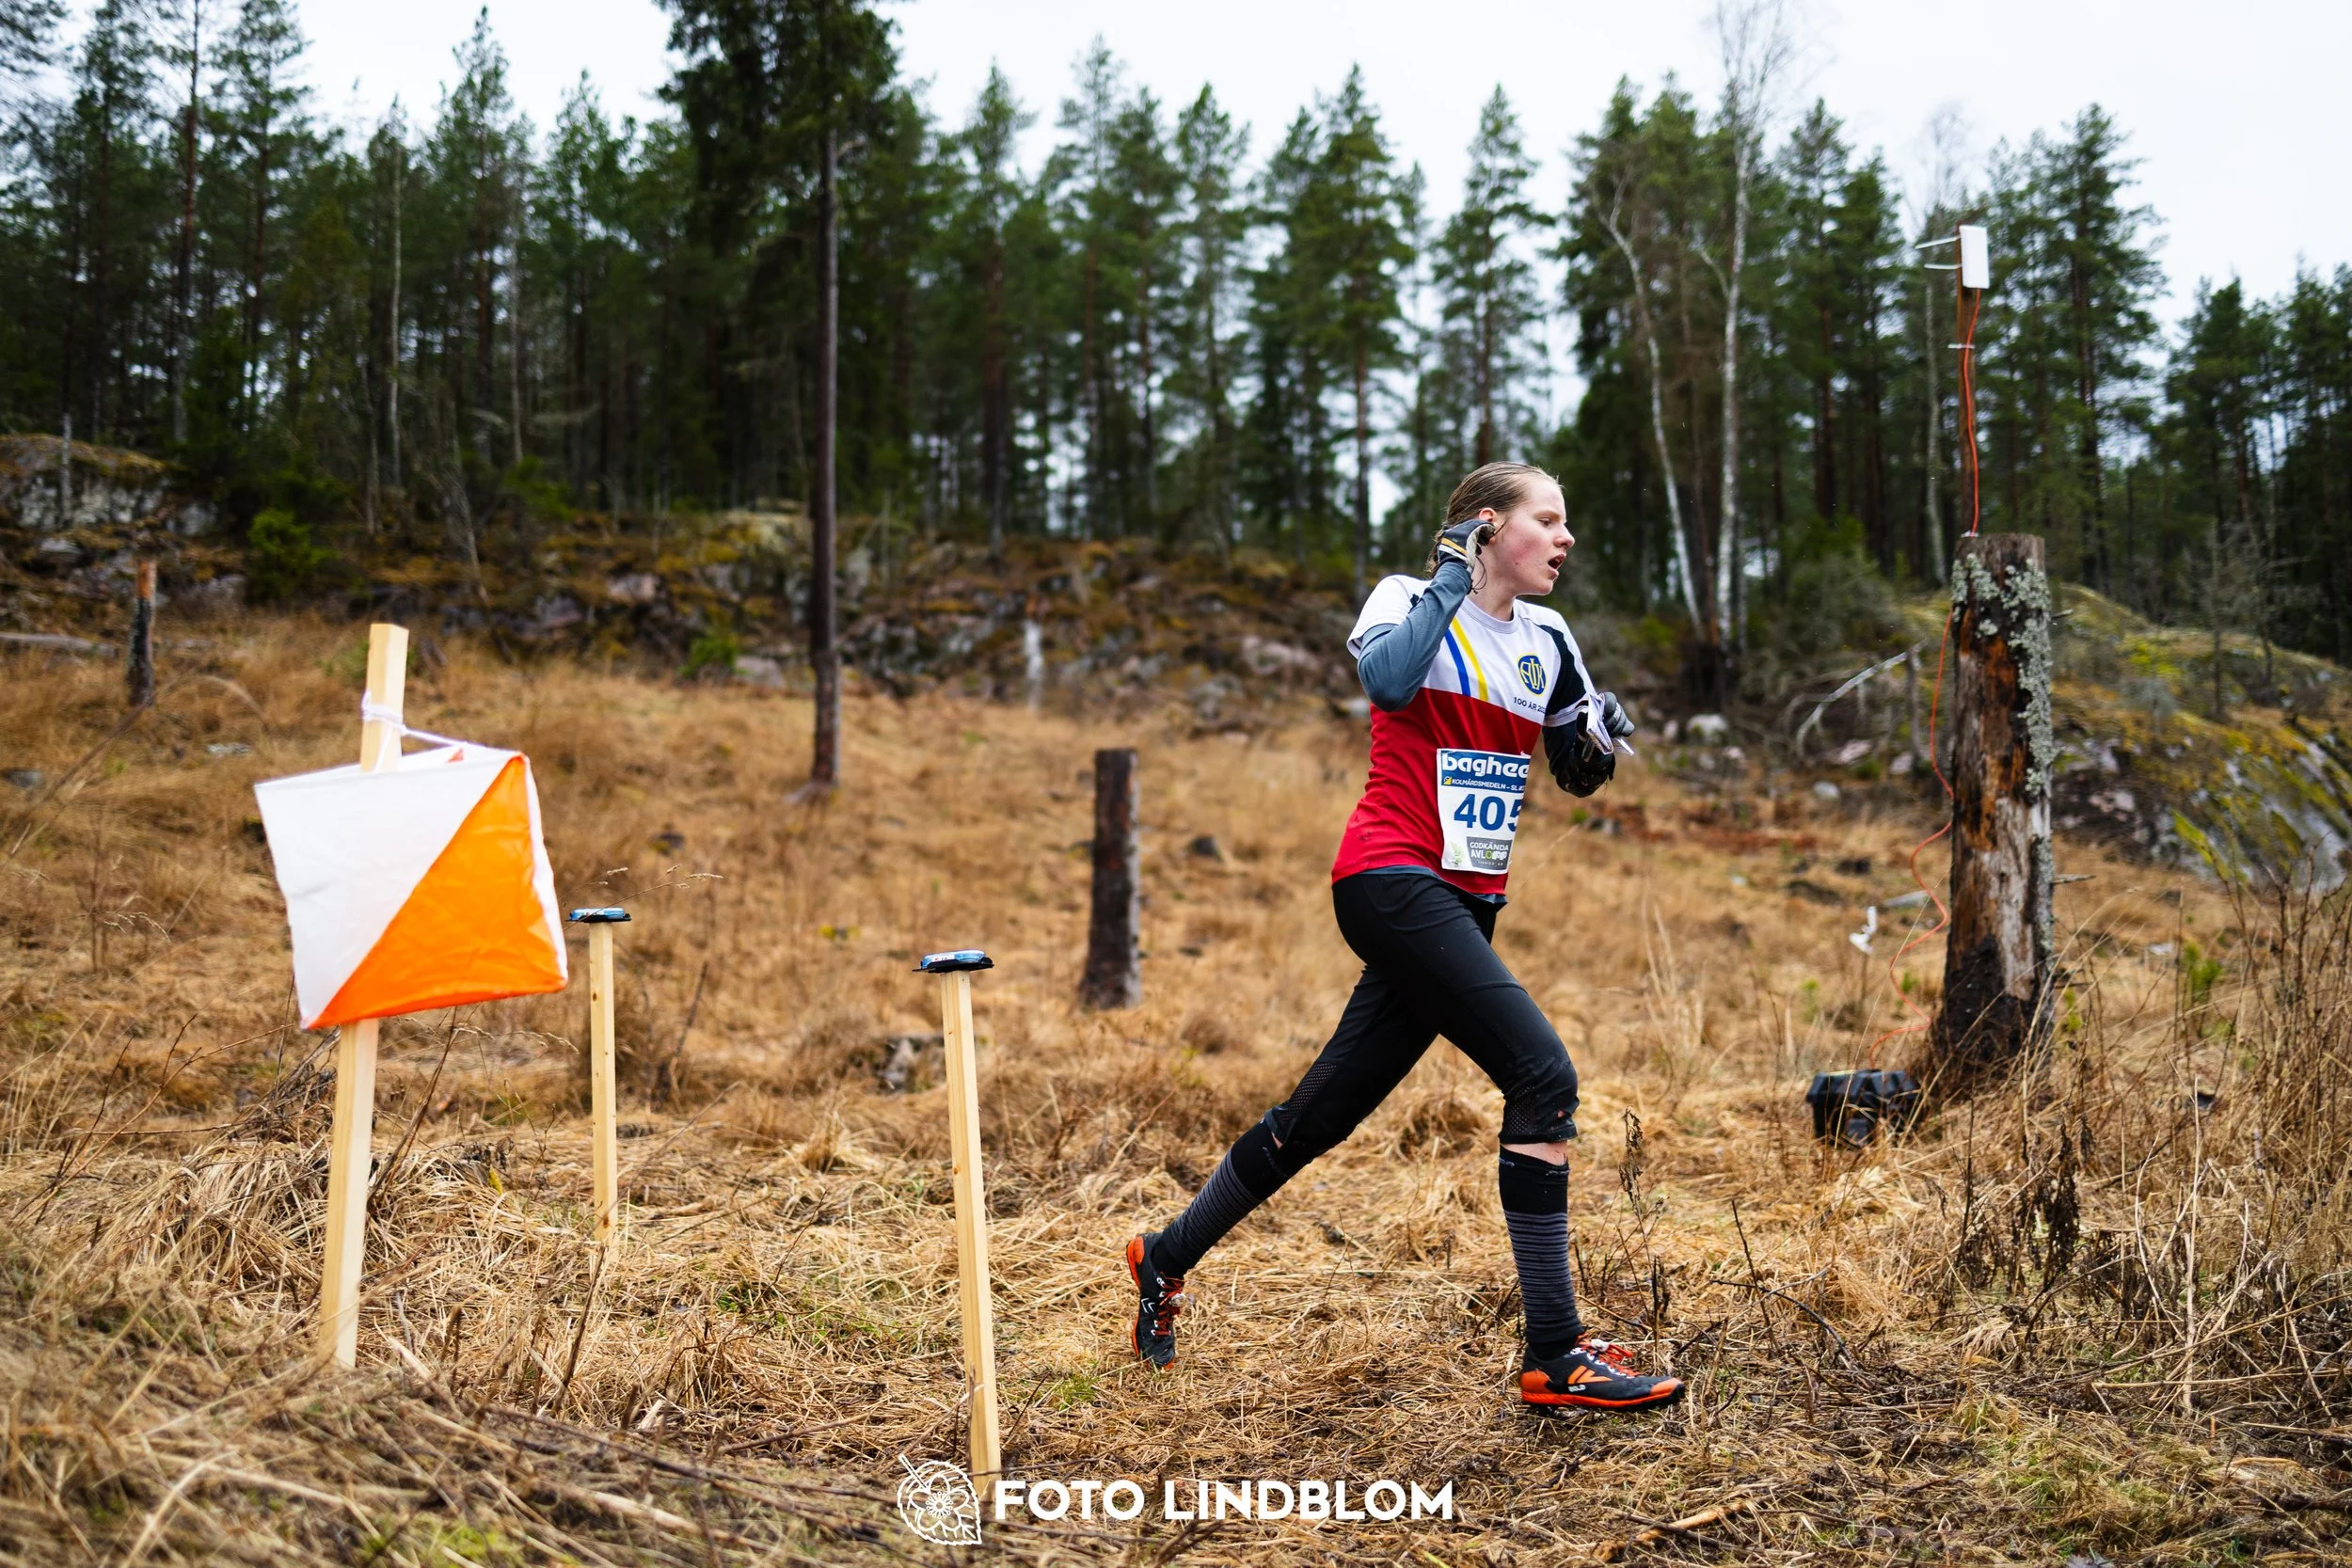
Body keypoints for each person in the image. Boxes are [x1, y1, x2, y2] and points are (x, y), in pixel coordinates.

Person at [1123, 461, 1683, 1413]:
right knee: (1542, 1075)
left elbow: (1577, 772)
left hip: (1466, 903)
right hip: (1386, 877)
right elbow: (1386, 683)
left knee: (1319, 1117)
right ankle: (1554, 1352)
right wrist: (1449, 578)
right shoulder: (1409, 600)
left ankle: (1163, 1252)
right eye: (1546, 520)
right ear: (1486, 526)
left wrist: (1596, 732)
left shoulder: (1550, 637)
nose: (1565, 538)